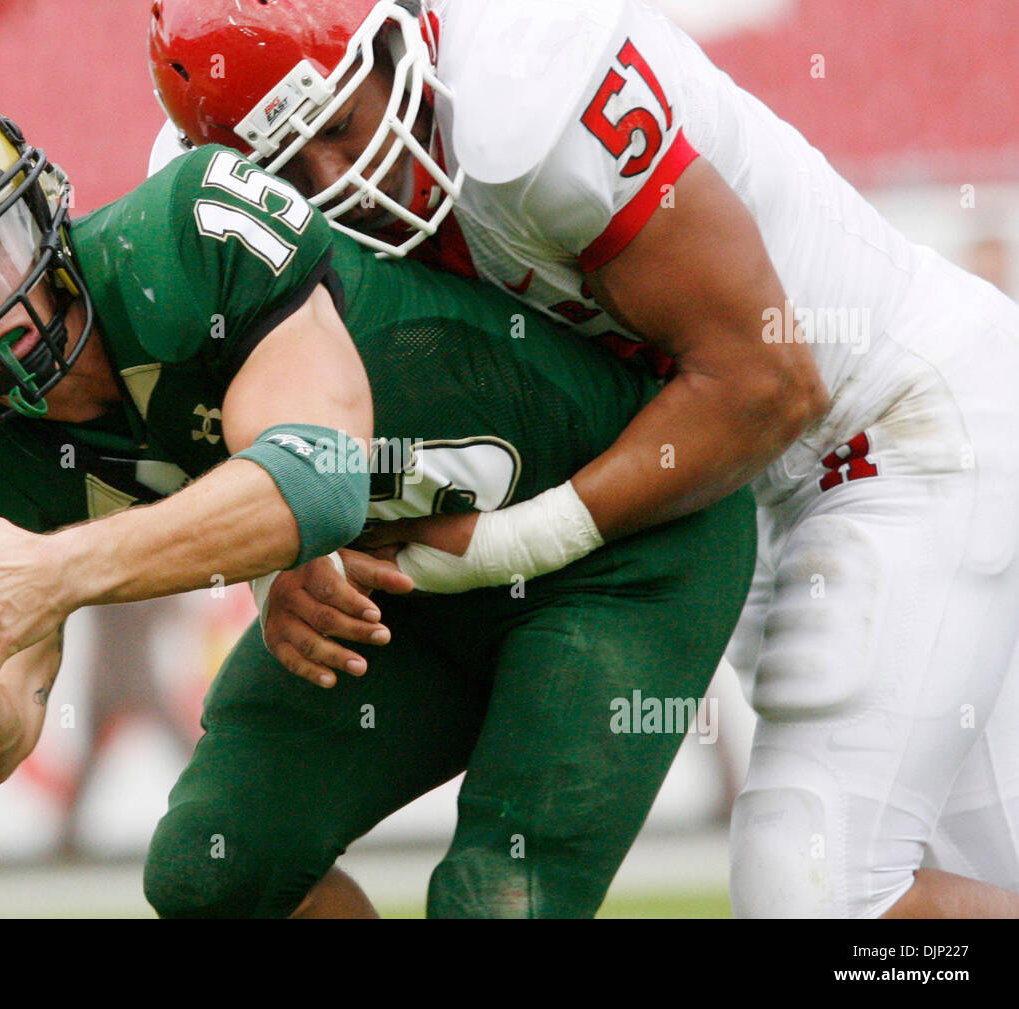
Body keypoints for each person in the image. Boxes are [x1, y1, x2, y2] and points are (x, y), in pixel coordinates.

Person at [0, 81, 754, 917]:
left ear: (38, 205)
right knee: (214, 874)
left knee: (495, 894)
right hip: (393, 604)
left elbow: (318, 473)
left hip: (617, 548)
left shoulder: (183, 234)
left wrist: (58, 571)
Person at [146, 0, 1019, 917]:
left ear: (398, 42)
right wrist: (289, 552)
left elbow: (766, 381)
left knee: (822, 892)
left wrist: (505, 544)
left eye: (336, 124)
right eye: (287, 164)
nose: (339, 180)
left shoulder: (528, 92)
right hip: (737, 481)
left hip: (890, 422)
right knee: (973, 866)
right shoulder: (220, 216)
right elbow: (273, 417)